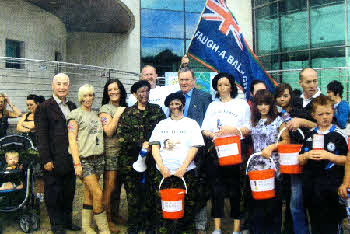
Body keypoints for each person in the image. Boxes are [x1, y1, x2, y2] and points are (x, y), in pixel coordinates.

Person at [201, 72, 251, 234]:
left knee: (236, 190)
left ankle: (236, 229)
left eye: (226, 84)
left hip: (235, 152)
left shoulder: (241, 104)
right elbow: (204, 128)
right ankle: (217, 228)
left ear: (232, 86)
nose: (223, 88)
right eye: (220, 85)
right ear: (216, 87)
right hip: (216, 152)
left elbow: (248, 128)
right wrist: (212, 134)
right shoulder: (212, 106)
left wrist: (233, 130)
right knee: (217, 190)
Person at [149, 92, 205, 233]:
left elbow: (195, 147)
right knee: (162, 209)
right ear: (168, 106)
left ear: (183, 105)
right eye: (171, 104)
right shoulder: (161, 124)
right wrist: (161, 168)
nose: (174, 106)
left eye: (177, 103)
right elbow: (155, 146)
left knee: (186, 210)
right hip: (163, 174)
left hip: (185, 173)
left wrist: (183, 168)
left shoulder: (191, 124)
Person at [115, 80, 165, 233]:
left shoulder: (157, 110)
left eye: (146, 91)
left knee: (151, 193)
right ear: (135, 94)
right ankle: (135, 226)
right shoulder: (127, 113)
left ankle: (150, 225)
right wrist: (141, 144)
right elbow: (121, 137)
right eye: (141, 92)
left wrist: (152, 146)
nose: (144, 94)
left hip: (152, 160)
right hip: (131, 161)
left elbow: (164, 131)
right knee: (133, 195)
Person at [35, 73, 80, 234]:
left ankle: (67, 222)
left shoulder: (73, 106)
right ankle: (56, 225)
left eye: (65, 84)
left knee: (69, 192)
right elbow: (41, 135)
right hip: (53, 159)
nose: (62, 87)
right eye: (59, 84)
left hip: (70, 159)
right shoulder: (44, 107)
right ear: (52, 86)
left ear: (69, 86)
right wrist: (46, 159)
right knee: (53, 193)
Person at [298, 95, 348, 233]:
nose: (325, 117)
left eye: (328, 113)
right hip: (312, 189)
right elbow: (300, 160)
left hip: (332, 188)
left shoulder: (339, 135)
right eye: (320, 114)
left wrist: (330, 156)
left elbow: (347, 160)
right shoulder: (309, 135)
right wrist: (307, 155)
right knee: (316, 224)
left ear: (333, 113)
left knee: (332, 224)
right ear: (314, 115)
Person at [67, 84, 110, 234]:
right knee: (98, 193)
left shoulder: (96, 114)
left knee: (89, 192)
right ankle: (103, 229)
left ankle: (86, 226)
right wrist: (77, 163)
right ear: (80, 97)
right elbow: (72, 140)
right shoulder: (75, 115)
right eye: (85, 95)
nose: (88, 98)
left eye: (91, 95)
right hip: (84, 160)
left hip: (98, 158)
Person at [248, 89, 290, 233]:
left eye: (266, 104)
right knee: (257, 206)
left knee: (273, 205)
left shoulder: (279, 120)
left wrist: (272, 147)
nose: (263, 107)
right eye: (260, 104)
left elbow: (286, 142)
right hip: (256, 170)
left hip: (273, 169)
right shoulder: (254, 121)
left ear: (271, 105)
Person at [275, 83, 314, 234]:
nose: (282, 99)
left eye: (285, 95)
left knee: (297, 202)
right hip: (285, 163)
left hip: (301, 160)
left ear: (291, 96)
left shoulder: (299, 112)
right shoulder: (277, 115)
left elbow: (314, 127)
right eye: (279, 96)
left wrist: (300, 122)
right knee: (291, 200)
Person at [177, 67, 212, 232]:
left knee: (200, 187)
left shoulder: (205, 97)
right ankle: (184, 221)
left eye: (187, 80)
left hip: (199, 152)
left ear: (194, 81)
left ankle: (200, 223)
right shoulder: (174, 98)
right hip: (178, 151)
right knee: (182, 185)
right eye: (181, 80)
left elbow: (209, 123)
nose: (184, 83)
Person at [99, 79, 127, 232]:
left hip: (124, 153)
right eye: (110, 90)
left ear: (121, 90)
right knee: (109, 188)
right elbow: (108, 131)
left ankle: (115, 215)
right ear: (107, 93)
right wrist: (117, 115)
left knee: (118, 188)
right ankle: (106, 220)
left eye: (116, 89)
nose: (113, 92)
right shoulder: (105, 109)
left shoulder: (125, 106)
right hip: (111, 153)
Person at [16, 94, 45, 202]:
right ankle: (25, 193)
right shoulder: (27, 115)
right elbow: (18, 127)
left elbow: (35, 125)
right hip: (27, 146)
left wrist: (25, 125)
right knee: (25, 169)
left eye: (31, 104)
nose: (29, 107)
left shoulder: (42, 115)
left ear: (37, 104)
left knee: (39, 172)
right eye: (27, 105)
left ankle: (40, 194)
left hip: (39, 146)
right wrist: (28, 128)